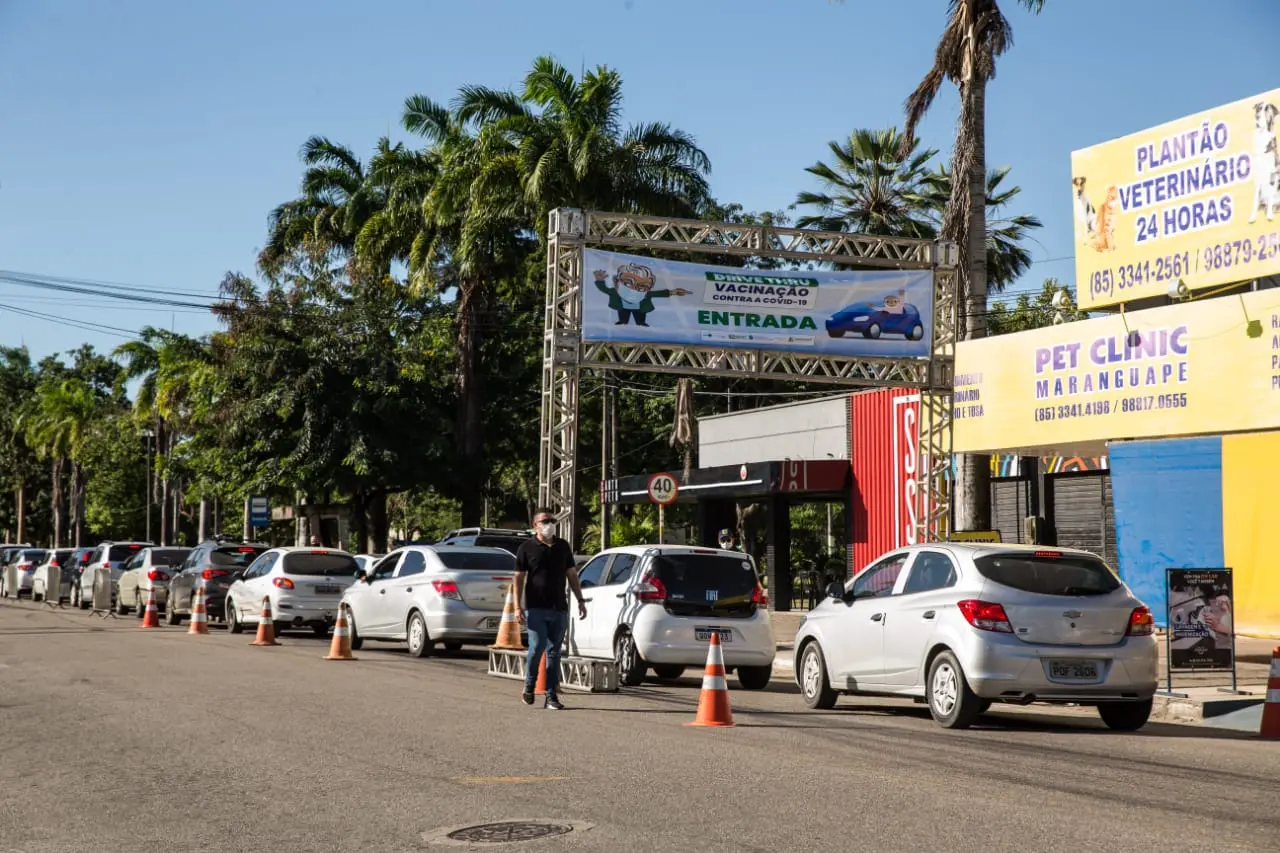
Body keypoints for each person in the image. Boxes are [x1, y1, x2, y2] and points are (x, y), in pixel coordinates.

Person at [512, 508, 587, 710]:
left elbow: (571, 574)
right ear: (535, 525)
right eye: (545, 521)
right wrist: (517, 606)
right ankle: (529, 685)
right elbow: (518, 577)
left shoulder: (562, 546)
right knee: (536, 648)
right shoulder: (526, 548)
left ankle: (551, 696)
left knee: (554, 652)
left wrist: (580, 599)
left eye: (552, 520)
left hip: (559, 607)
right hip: (536, 607)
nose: (549, 524)